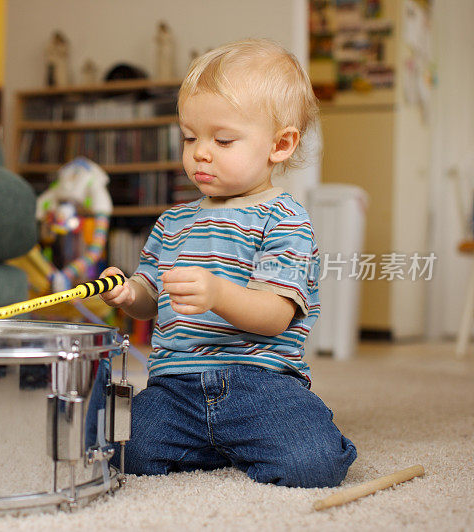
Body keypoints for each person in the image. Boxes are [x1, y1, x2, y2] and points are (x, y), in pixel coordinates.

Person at [96, 39, 356, 488]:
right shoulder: (174, 220)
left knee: (311, 465)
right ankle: (215, 446)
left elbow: (275, 315)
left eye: (223, 139)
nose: (200, 152)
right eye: (191, 137)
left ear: (280, 144)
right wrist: (128, 293)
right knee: (111, 449)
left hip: (261, 383)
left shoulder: (285, 219)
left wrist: (217, 293)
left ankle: (297, 427)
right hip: (174, 388)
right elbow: (150, 299)